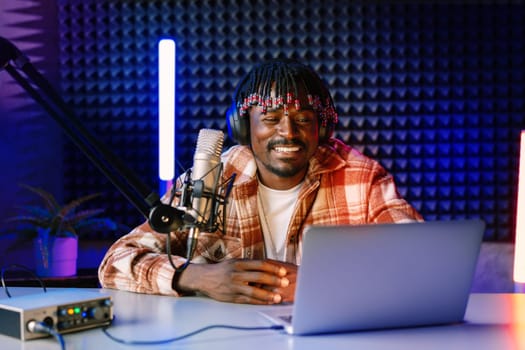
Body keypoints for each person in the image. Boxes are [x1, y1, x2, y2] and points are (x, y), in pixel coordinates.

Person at [98, 59, 423, 305]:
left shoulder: (360, 177)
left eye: (303, 119)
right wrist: (197, 277)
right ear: (243, 127)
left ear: (321, 129)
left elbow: (419, 260)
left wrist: (321, 282)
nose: (288, 133)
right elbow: (115, 263)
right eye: (270, 119)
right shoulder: (211, 177)